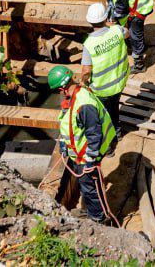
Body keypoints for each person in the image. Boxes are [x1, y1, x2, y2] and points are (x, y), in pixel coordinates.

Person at [49, 65, 117, 225]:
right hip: (80, 153)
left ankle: (100, 219)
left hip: (87, 155)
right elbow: (71, 124)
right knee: (85, 184)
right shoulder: (74, 97)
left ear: (62, 88)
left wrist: (90, 161)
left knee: (90, 187)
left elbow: (94, 134)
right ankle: (92, 211)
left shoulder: (84, 105)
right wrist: (65, 145)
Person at [98, 0, 155, 73]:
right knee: (136, 31)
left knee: (135, 35)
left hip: (138, 11)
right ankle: (140, 46)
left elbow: (121, 9)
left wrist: (114, 21)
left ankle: (140, 65)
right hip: (144, 4)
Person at [80, 1, 129, 130]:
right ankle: (117, 130)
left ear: (90, 22)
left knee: (104, 113)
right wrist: (109, 24)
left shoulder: (89, 44)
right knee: (114, 107)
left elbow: (86, 71)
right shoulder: (117, 30)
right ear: (106, 18)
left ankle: (110, 134)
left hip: (102, 89)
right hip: (119, 82)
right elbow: (127, 33)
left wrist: (83, 84)